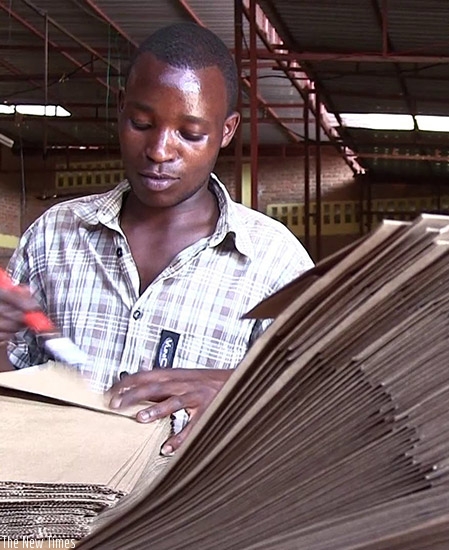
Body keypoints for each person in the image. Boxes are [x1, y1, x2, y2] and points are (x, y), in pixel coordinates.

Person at [0, 23, 314, 454]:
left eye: (190, 133)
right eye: (142, 123)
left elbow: (313, 400)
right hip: (50, 510)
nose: (160, 150)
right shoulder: (55, 235)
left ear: (226, 130)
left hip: (190, 517)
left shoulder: (275, 263)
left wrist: (236, 392)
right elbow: (12, 393)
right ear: (120, 108)